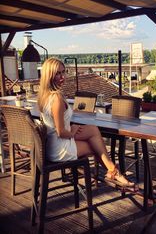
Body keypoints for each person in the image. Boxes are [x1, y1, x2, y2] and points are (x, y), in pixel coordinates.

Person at [37, 57, 138, 190]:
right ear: (49, 76)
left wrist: (71, 128)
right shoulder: (56, 98)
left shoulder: (44, 96)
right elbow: (61, 132)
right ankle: (114, 173)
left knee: (93, 130)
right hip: (59, 149)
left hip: (50, 145)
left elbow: (56, 126)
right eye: (58, 73)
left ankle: (112, 172)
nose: (62, 77)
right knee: (95, 146)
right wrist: (72, 131)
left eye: (63, 72)